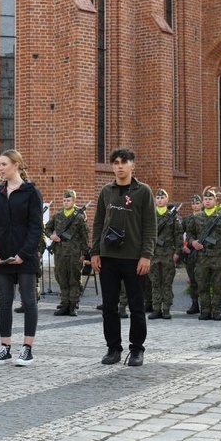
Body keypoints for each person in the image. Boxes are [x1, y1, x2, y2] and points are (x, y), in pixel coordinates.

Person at [91, 147, 156, 367]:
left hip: (134, 258)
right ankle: (113, 348)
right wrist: (95, 252)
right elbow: (98, 223)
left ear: (132, 165)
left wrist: (146, 255)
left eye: (124, 162)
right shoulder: (106, 191)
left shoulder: (143, 191)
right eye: (116, 162)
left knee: (137, 306)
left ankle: (137, 349)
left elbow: (150, 226)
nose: (119, 166)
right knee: (109, 306)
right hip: (108, 256)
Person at [0, 149, 43, 366]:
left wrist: (23, 254)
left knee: (28, 301)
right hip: (2, 256)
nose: (0, 168)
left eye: (3, 164)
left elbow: (36, 227)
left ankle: (27, 348)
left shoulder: (31, 192)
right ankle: (5, 347)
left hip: (24, 257)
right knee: (5, 301)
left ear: (16, 164)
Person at [185, 189, 221, 321]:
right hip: (202, 257)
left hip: (218, 256)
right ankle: (205, 310)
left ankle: (216, 311)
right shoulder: (197, 218)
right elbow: (189, 233)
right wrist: (193, 242)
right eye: (205, 199)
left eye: (210, 199)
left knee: (218, 285)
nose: (207, 201)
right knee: (202, 285)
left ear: (215, 201)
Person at [45, 190, 89, 317]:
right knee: (61, 278)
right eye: (64, 200)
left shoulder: (80, 216)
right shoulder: (58, 215)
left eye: (68, 200)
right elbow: (47, 228)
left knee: (74, 279)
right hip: (59, 252)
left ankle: (73, 305)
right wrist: (51, 236)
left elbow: (84, 236)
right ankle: (64, 304)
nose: (66, 202)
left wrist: (84, 253)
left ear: (74, 201)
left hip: (75, 253)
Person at [148, 189, 183, 320]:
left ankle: (166, 309)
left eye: (163, 198)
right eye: (158, 198)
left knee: (167, 283)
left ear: (167, 200)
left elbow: (178, 235)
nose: (160, 200)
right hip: (153, 254)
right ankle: (156, 308)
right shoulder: (150, 216)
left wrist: (177, 252)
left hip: (168, 254)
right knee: (155, 283)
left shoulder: (173, 217)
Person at [182, 195, 203, 314]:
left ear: (201, 204)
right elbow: (179, 232)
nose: (195, 205)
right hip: (190, 252)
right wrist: (183, 246)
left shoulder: (205, 217)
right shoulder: (187, 218)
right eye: (193, 204)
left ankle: (205, 305)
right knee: (193, 279)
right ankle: (195, 304)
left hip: (203, 252)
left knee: (203, 280)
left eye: (197, 203)